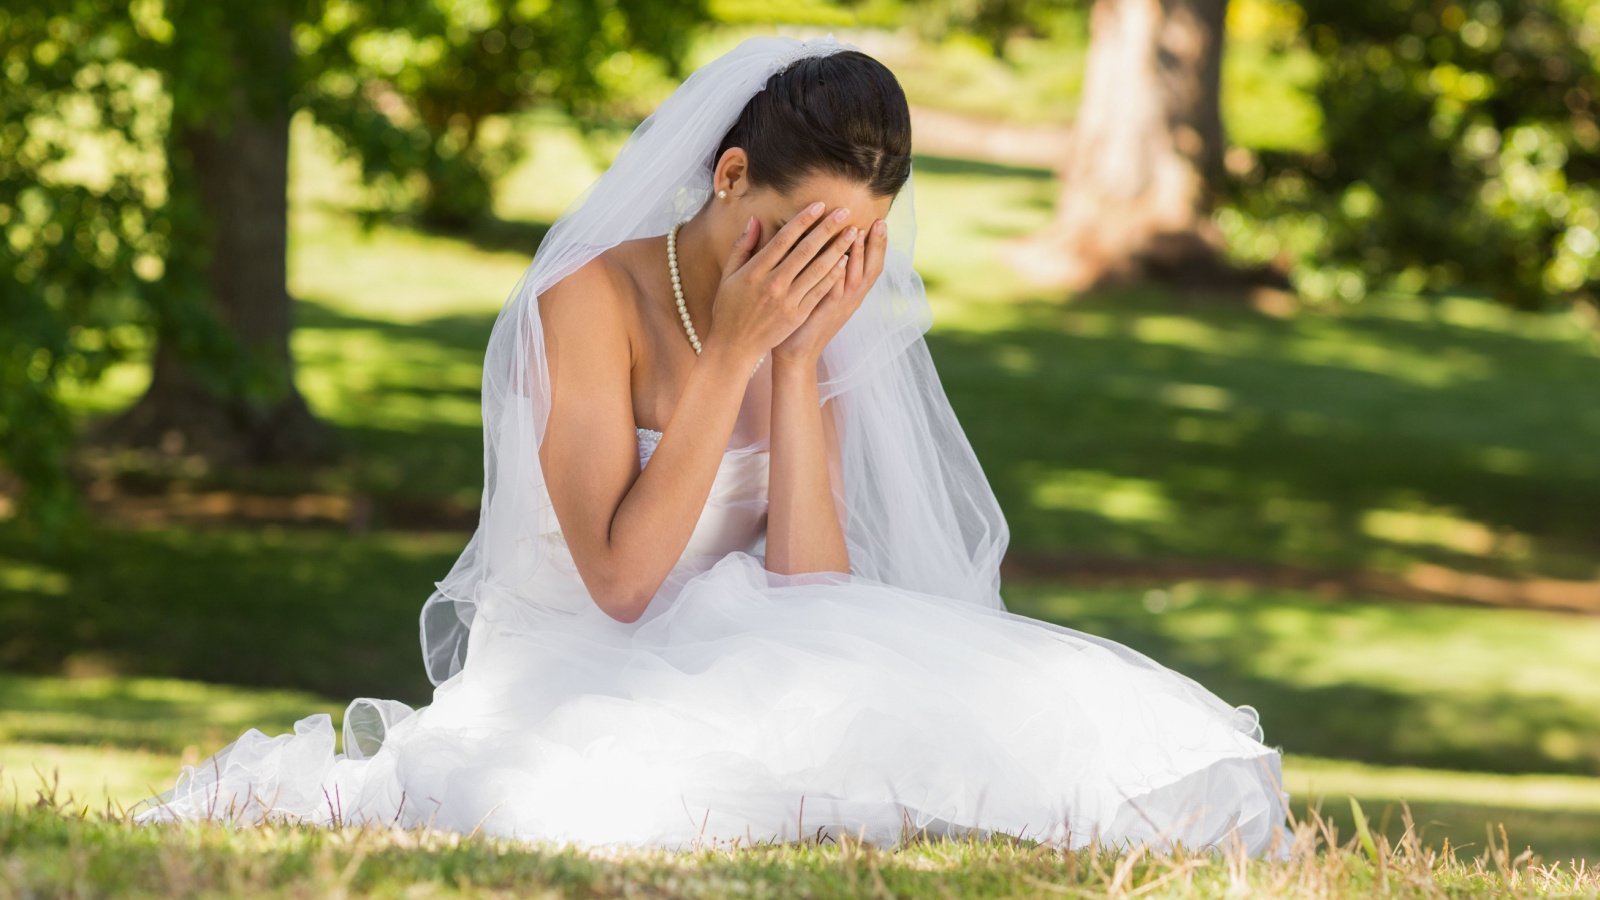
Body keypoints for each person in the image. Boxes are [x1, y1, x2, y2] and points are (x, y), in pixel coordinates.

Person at [129, 34, 1292, 857]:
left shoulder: (808, 325)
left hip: (750, 646)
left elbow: (814, 593)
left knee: (1039, 735)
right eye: (800, 236)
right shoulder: (584, 306)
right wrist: (734, 354)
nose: (823, 273)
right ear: (729, 177)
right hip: (582, 663)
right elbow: (625, 584)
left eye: (859, 245)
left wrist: (794, 363)